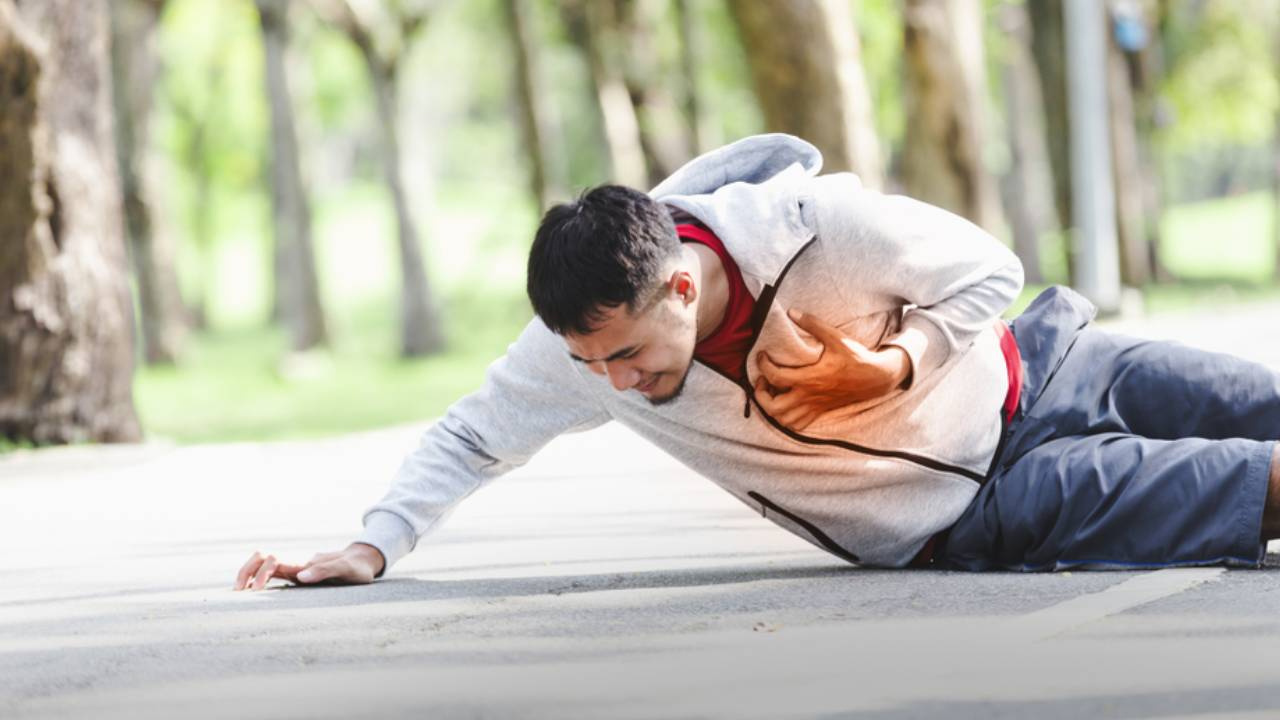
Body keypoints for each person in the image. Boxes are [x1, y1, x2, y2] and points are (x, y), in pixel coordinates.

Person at [234, 134, 1280, 591]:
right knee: (1259, 490)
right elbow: (470, 435)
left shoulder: (816, 227)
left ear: (679, 286)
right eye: (586, 363)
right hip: (975, 511)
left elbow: (986, 268)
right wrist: (371, 546)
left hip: (1045, 367)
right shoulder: (580, 349)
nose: (613, 383)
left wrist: (898, 366)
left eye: (629, 355)